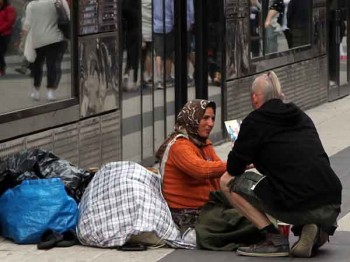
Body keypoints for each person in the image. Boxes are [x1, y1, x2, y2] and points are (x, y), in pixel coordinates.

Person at [220, 71, 342, 257]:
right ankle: (315, 231)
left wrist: (246, 154)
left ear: (254, 97)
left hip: (296, 202)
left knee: (227, 181)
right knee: (298, 184)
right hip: (331, 200)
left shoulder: (254, 122)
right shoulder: (300, 116)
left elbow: (233, 169)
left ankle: (273, 239)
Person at [156, 99, 227, 233]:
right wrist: (237, 164)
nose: (210, 124)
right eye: (205, 118)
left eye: (212, 118)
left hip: (207, 209)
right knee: (244, 222)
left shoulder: (203, 143)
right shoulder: (179, 145)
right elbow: (201, 170)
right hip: (186, 215)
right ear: (192, 118)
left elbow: (219, 171)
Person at [23, 0, 70, 101]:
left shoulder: (31, 5)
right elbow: (68, 18)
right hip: (54, 38)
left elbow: (27, 24)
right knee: (52, 65)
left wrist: (22, 41)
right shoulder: (58, 2)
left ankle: (36, 91)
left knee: (37, 66)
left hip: (37, 40)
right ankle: (50, 91)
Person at [0, 0, 16, 76]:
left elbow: (10, 21)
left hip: (4, 34)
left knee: (0, 52)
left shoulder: (9, 9)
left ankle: (2, 68)